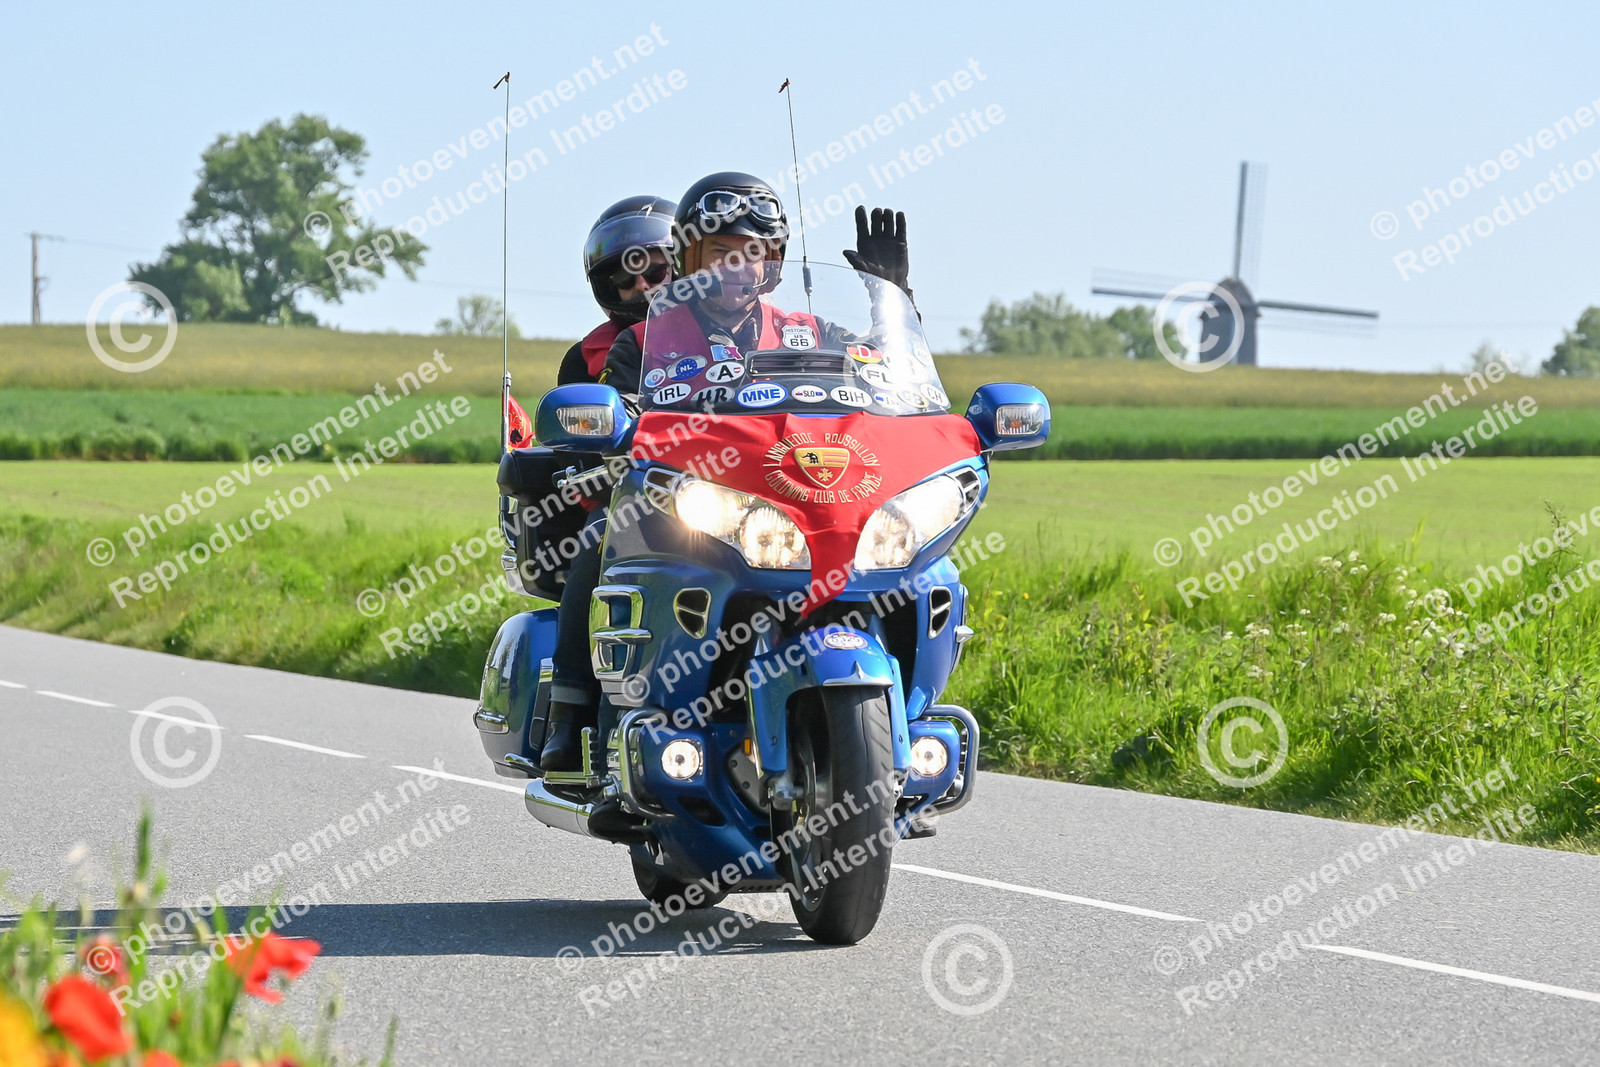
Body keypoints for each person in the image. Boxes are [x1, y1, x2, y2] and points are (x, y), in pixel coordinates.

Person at [540, 196, 675, 772]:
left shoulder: (748, 335)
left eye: (657, 270)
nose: (643, 286)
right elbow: (570, 447)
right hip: (631, 495)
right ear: (605, 286)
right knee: (601, 537)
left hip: (739, 497)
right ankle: (568, 713)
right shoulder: (591, 356)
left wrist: (893, 293)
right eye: (626, 277)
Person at [601, 171, 911, 399]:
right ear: (689, 259)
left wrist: (891, 294)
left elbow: (890, 373)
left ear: (771, 262)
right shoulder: (642, 343)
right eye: (721, 252)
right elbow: (617, 421)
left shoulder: (813, 333)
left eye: (752, 253)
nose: (737, 266)